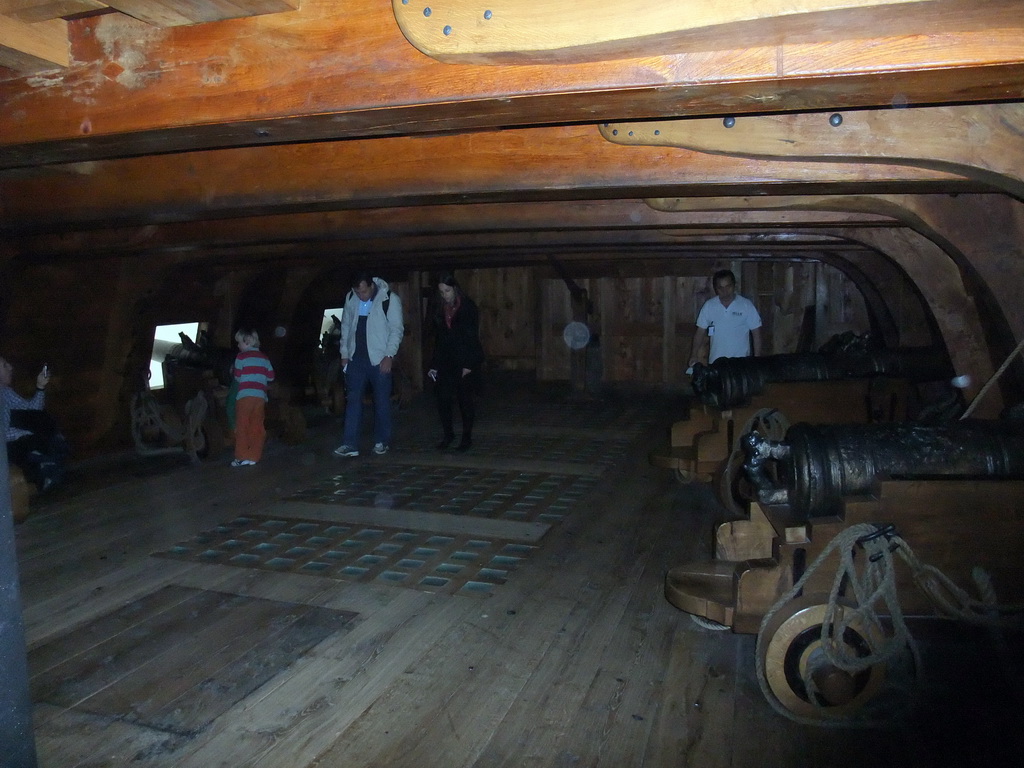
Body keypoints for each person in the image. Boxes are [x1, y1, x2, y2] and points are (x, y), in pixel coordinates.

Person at [334, 272, 405, 457]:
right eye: (358, 292)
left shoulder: (389, 299)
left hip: (379, 358)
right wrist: (345, 353)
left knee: (381, 400)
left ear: (371, 286)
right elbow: (346, 326)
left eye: (364, 291)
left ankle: (382, 441)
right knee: (353, 400)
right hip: (356, 359)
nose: (361, 295)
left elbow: (396, 329)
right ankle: (350, 444)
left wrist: (389, 355)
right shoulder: (351, 298)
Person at [428, 273, 485, 451]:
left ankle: (466, 437)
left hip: (463, 359)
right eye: (441, 292)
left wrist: (469, 364)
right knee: (443, 399)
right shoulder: (439, 308)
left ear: (454, 288)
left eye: (447, 290)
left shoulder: (468, 307)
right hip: (446, 359)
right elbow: (439, 338)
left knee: (464, 400)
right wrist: (434, 365)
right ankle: (448, 434)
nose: (445, 295)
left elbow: (471, 336)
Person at [1, 356, 68, 492]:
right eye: (4, 365)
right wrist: (26, 433)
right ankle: (41, 468)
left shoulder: (5, 392)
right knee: (41, 442)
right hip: (6, 448)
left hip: (20, 441)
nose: (10, 367)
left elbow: (32, 411)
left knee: (43, 423)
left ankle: (45, 466)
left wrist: (40, 387)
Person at [688, 269, 763, 371]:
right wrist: (694, 355)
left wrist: (757, 359)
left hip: (741, 363)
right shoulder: (709, 306)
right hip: (716, 363)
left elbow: (756, 333)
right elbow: (700, 332)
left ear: (734, 286)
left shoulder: (746, 305)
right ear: (715, 289)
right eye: (721, 288)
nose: (725, 291)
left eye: (728, 286)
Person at [231, 328, 275, 467]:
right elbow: (271, 376)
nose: (238, 346)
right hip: (260, 398)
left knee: (242, 426)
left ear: (248, 341)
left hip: (245, 397)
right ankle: (254, 456)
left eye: (239, 343)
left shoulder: (241, 357)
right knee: (257, 427)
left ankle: (241, 456)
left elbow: (237, 377)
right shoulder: (264, 358)